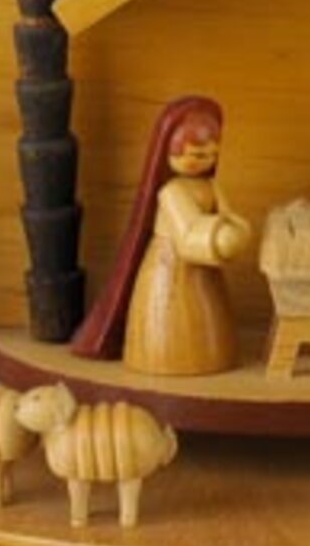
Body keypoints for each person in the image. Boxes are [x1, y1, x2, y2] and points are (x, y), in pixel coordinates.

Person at [71, 95, 252, 376]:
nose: (205, 161)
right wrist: (220, 238)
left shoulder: (210, 186)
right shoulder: (171, 192)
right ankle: (169, 357)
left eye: (211, 155)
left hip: (205, 267)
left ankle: (211, 356)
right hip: (173, 267)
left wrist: (239, 229)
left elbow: (227, 213)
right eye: (196, 155)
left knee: (208, 316)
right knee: (176, 320)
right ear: (170, 152)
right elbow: (188, 233)